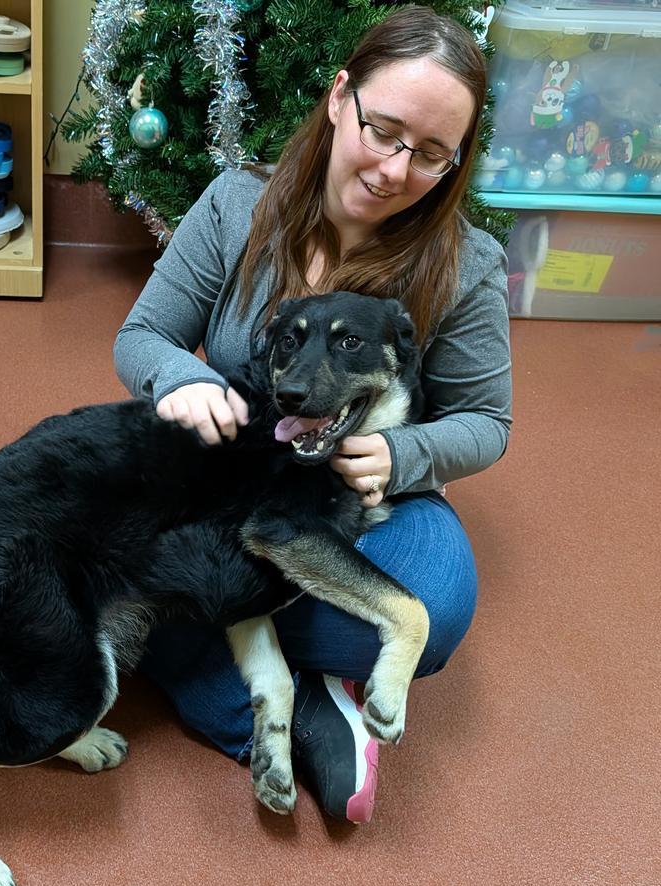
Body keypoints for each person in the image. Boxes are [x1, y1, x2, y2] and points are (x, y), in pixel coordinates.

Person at [113, 6, 511, 823]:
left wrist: (401, 458)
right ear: (340, 99)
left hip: (361, 495)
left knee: (439, 603)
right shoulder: (235, 205)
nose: (397, 169)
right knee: (146, 538)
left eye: (431, 153)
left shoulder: (467, 266)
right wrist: (173, 381)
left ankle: (188, 642)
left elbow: (485, 421)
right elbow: (143, 333)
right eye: (384, 130)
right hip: (233, 481)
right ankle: (290, 710)